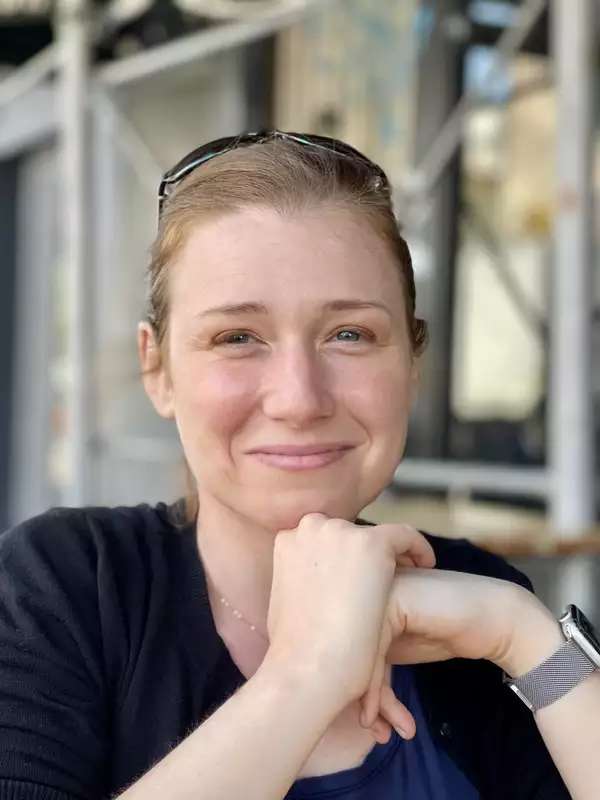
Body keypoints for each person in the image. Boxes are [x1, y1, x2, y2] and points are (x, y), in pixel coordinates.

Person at [0, 130, 598, 800]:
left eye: (350, 334)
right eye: (236, 338)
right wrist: (305, 673)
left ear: (412, 365)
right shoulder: (65, 587)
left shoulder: (474, 600)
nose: (299, 398)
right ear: (158, 370)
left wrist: (524, 633)